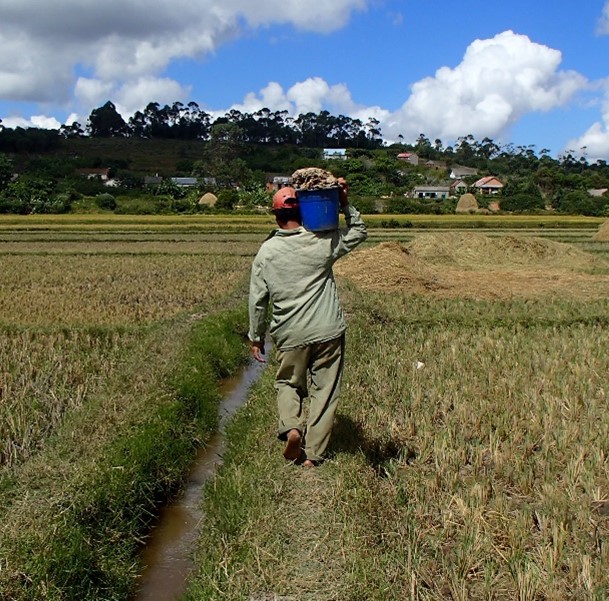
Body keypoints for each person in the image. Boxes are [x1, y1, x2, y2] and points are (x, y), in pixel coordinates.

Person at [248, 179, 367, 467]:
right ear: (302, 213)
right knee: (324, 391)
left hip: (290, 333)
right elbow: (359, 232)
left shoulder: (265, 253)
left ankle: (291, 428)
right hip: (328, 330)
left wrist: (256, 336)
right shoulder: (321, 241)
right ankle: (313, 457)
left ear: (276, 216)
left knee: (288, 383)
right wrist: (344, 202)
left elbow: (257, 301)